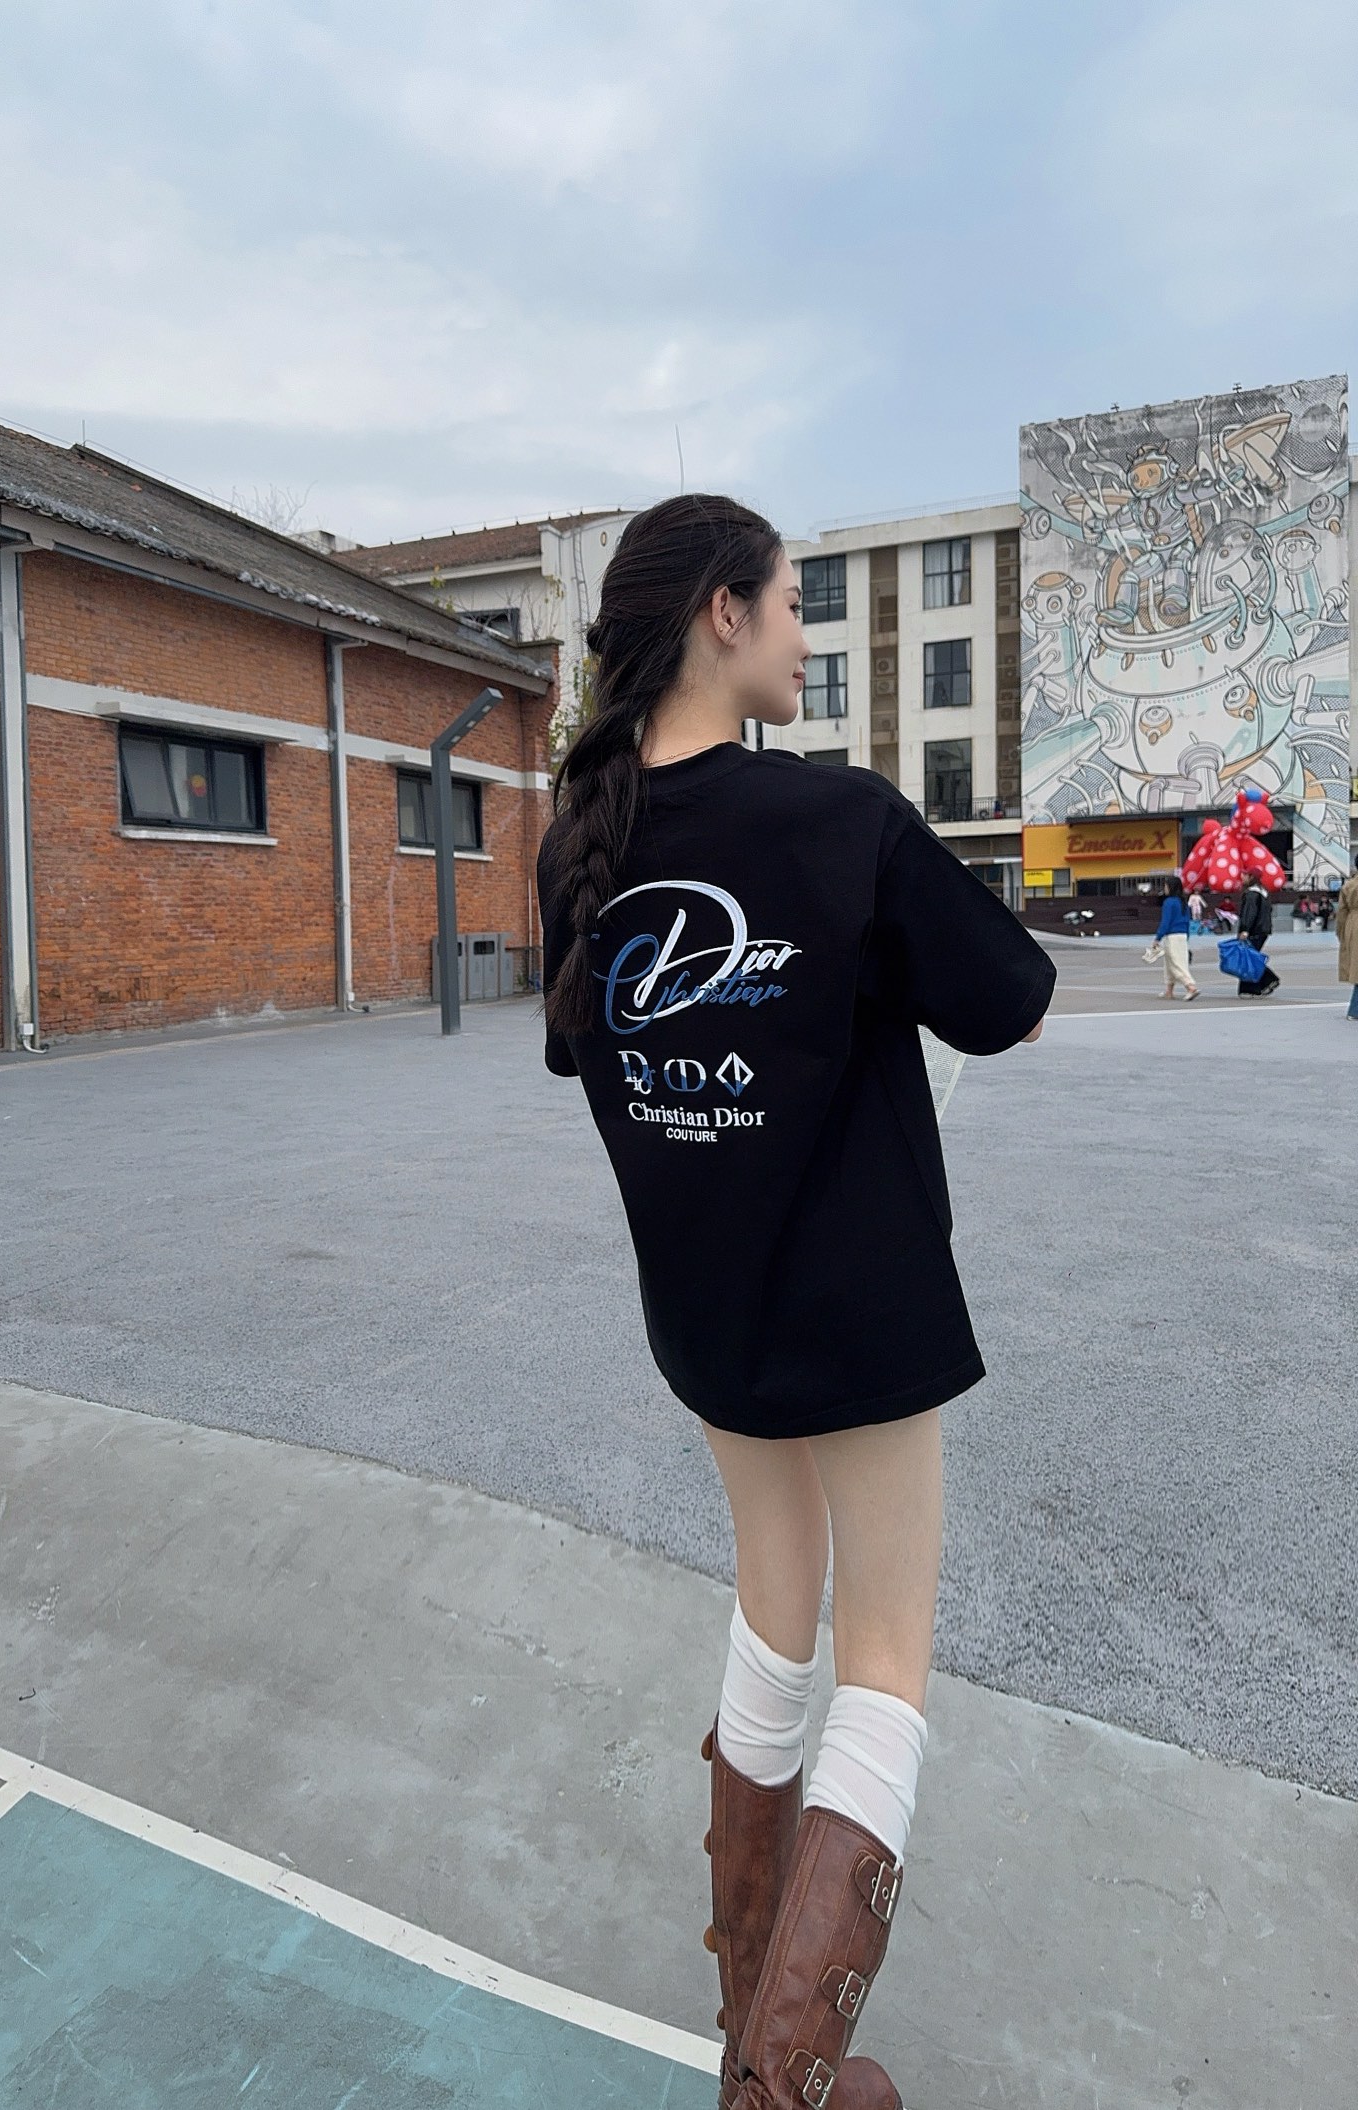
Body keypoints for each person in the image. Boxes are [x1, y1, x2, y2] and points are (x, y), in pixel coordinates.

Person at [537, 496, 1054, 2110]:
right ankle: (780, 2083)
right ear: (722, 612)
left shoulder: (580, 840)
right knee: (884, 1662)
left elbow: (588, 1057)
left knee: (776, 1610)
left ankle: (747, 2015)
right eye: (792, 602)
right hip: (863, 1316)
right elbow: (1014, 1002)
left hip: (708, 1316)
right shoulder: (843, 824)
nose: (805, 634)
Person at [1154, 877, 1199, 1000]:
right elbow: (1187, 921)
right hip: (1182, 935)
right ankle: (1169, 990)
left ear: (1170, 887)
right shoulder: (1183, 902)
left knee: (1176, 964)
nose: (1165, 888)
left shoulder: (1169, 902)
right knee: (1170, 962)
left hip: (1172, 936)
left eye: (1166, 886)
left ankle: (1190, 986)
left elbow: (1166, 922)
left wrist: (1158, 937)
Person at [1236, 879, 1280, 997]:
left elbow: (1249, 913)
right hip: (1262, 930)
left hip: (1253, 931)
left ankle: (1254, 986)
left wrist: (1245, 929)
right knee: (1251, 958)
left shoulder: (1251, 894)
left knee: (1248, 960)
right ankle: (1265, 982)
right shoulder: (1263, 893)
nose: (1242, 877)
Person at [1338, 862, 1358, 1021]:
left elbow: (1341, 912)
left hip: (1353, 924)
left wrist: (1342, 934)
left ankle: (1354, 1009)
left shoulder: (1349, 885)